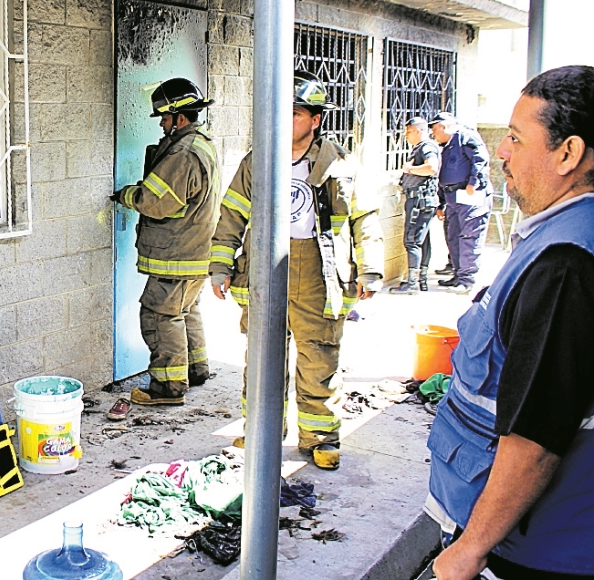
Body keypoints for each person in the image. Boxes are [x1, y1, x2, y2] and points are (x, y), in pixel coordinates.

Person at [426, 65, 594, 580]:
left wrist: (471, 548)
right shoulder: (559, 237)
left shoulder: (566, 263)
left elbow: (535, 436)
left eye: (516, 139)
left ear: (568, 153)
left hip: (540, 546)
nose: (501, 152)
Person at [209, 71, 384, 470]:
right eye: (280, 112)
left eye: (295, 113)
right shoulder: (258, 160)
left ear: (316, 119)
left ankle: (320, 437)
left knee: (318, 357)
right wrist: (221, 265)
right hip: (265, 269)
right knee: (261, 358)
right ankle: (261, 431)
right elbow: (232, 213)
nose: (286, 120)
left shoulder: (338, 164)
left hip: (318, 272)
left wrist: (370, 269)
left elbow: (365, 218)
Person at [110, 78, 220, 407]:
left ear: (180, 118)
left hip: (176, 253)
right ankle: (194, 368)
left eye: (164, 118)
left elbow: (155, 201)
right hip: (195, 250)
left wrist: (125, 195)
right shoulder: (201, 144)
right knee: (184, 311)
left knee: (160, 314)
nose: (161, 123)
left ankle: (168, 387)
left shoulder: (183, 153)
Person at [430, 112, 491, 294]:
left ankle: (467, 280)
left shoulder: (465, 136)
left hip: (470, 196)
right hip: (453, 198)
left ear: (444, 126)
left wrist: (475, 182)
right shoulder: (446, 146)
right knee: (453, 236)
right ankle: (458, 275)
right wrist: (440, 203)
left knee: (469, 238)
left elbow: (480, 159)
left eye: (434, 129)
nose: (433, 134)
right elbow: (444, 176)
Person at [391, 117, 440, 294]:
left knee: (412, 240)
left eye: (408, 131)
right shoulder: (423, 147)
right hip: (423, 200)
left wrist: (409, 170)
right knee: (422, 240)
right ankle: (421, 279)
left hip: (419, 201)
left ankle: (412, 283)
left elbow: (432, 168)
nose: (406, 136)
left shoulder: (426, 147)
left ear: (418, 131)